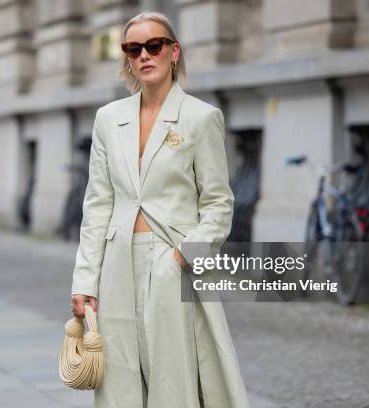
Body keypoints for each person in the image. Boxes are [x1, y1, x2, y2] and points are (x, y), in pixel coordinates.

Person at [70, 11, 250, 408]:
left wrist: (186, 255)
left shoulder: (201, 118)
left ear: (173, 52)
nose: (144, 56)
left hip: (173, 261)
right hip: (116, 266)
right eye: (133, 49)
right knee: (119, 380)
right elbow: (97, 203)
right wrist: (85, 280)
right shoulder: (108, 118)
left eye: (154, 46)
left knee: (174, 378)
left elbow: (218, 203)